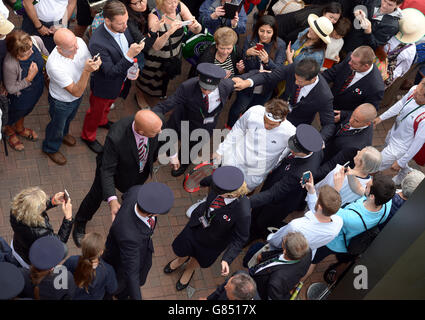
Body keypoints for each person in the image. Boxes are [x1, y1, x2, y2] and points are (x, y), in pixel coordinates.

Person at [72, 110, 163, 247]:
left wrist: (172, 153)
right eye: (156, 132)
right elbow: (107, 170)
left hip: (138, 171)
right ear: (142, 132)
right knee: (95, 196)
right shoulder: (116, 137)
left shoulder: (155, 122)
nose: (160, 132)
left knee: (131, 194)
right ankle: (80, 222)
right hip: (112, 170)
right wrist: (112, 200)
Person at [164, 166, 251, 291]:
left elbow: (241, 237)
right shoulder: (220, 181)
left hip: (213, 241)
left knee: (198, 257)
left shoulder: (243, 211)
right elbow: (204, 181)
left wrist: (227, 259)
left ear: (232, 194)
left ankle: (189, 270)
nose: (214, 190)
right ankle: (180, 260)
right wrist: (199, 180)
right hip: (197, 224)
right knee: (184, 247)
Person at [80, 0, 145, 154]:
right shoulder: (98, 42)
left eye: (126, 21)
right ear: (107, 21)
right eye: (121, 24)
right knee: (94, 112)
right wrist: (130, 56)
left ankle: (103, 121)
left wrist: (133, 66)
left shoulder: (123, 26)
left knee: (108, 105)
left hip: (119, 81)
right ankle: (88, 136)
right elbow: (109, 72)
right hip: (104, 85)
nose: (126, 26)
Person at [152, 62, 235, 177]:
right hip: (184, 120)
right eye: (203, 88)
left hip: (205, 127)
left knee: (191, 148)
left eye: (210, 89)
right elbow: (167, 104)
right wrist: (149, 115)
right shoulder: (188, 87)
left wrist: (261, 72)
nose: (206, 91)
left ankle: (182, 164)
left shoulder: (226, 86)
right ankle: (161, 154)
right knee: (167, 139)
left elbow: (244, 79)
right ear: (199, 78)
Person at [248, 124, 325, 242]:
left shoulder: (299, 172)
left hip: (280, 202)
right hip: (277, 183)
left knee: (261, 221)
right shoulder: (315, 148)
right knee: (257, 213)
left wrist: (246, 202)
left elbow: (273, 194)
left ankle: (249, 236)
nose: (291, 149)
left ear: (305, 151)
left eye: (294, 150)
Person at [233, 58, 335, 143]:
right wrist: (247, 82)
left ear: (312, 79)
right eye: (295, 78)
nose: (295, 82)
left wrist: (318, 141)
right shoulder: (295, 67)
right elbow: (270, 76)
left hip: (294, 126)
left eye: (300, 81)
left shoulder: (324, 96)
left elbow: (329, 124)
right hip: (276, 111)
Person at [103, 182, 174, 300]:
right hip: (121, 261)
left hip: (134, 247)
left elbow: (125, 196)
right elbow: (132, 274)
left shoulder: (136, 191)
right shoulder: (130, 237)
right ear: (151, 213)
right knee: (119, 285)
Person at [42, 28, 101, 165]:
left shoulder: (79, 42)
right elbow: (76, 91)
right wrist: (87, 71)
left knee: (68, 119)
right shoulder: (54, 65)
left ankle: (63, 134)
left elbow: (88, 59)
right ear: (60, 48)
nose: (77, 47)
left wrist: (95, 63)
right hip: (61, 101)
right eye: (71, 47)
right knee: (57, 125)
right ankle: (50, 148)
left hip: (75, 99)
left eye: (75, 42)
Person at [311, 172, 395, 266]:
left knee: (312, 261)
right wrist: (350, 174)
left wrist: (336, 188)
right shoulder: (387, 202)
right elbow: (359, 188)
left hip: (333, 242)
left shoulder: (352, 218)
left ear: (372, 196)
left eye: (367, 186)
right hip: (348, 239)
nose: (366, 184)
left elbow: (326, 207)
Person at [214, 99, 296, 191]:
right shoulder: (254, 111)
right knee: (219, 184)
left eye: (272, 124)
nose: (266, 126)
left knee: (239, 194)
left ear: (283, 120)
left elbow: (286, 155)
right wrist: (220, 150)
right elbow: (238, 129)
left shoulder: (291, 133)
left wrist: (271, 168)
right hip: (235, 159)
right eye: (265, 120)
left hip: (255, 173)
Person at [226, 15, 286, 128]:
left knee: (254, 110)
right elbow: (245, 63)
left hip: (266, 87)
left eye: (269, 32)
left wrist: (268, 61)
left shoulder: (280, 45)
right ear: (257, 29)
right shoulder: (250, 39)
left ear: (274, 32)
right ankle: (229, 126)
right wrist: (247, 55)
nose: (264, 35)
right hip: (248, 83)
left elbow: (278, 71)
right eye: (261, 30)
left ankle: (244, 126)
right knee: (238, 107)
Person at [136, 0, 202, 99]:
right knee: (149, 80)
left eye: (175, 1)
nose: (174, 5)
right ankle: (140, 97)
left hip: (174, 55)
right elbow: (156, 46)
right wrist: (169, 32)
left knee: (165, 78)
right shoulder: (154, 16)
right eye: (170, 3)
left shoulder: (179, 7)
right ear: (161, 2)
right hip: (156, 58)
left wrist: (196, 26)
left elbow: (196, 30)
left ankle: (161, 93)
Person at [267, 184, 343, 260]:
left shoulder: (296, 226)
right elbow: (318, 211)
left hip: (281, 253)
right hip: (305, 256)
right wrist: (311, 191)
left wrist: (270, 237)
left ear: (319, 206)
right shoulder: (338, 223)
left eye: (318, 197)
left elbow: (275, 242)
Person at [373, 77, 425, 185]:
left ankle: (369, 184)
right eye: (416, 89)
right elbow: (401, 104)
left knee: (374, 165)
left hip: (400, 147)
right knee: (383, 156)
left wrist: (401, 162)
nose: (414, 93)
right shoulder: (415, 89)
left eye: (418, 95)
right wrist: (381, 118)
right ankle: (406, 171)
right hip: (393, 133)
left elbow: (417, 143)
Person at [2, 30, 48, 152]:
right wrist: (28, 78)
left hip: (36, 88)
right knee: (14, 113)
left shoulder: (36, 40)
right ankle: (9, 130)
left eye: (31, 48)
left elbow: (45, 54)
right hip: (20, 96)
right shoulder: (10, 64)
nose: (32, 52)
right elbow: (11, 88)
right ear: (16, 55)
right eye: (27, 54)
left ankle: (19, 128)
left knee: (26, 110)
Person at [9, 187, 73, 269]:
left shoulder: (16, 210)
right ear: (35, 213)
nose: (45, 204)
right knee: (64, 249)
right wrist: (68, 218)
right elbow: (58, 243)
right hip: (31, 260)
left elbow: (31, 209)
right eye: (43, 203)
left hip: (17, 247)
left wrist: (52, 202)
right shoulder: (40, 232)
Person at [322, 45, 385, 121]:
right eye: (351, 59)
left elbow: (369, 112)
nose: (349, 63)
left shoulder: (376, 87)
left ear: (366, 66)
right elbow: (332, 73)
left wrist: (344, 115)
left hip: (342, 117)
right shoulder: (351, 59)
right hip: (329, 102)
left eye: (354, 63)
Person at [249, 232, 312, 300]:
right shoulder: (307, 251)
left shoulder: (275, 282)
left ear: (285, 251)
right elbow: (279, 253)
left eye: (283, 242)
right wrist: (264, 256)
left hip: (260, 286)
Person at [315, 146, 382, 206]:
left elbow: (320, 188)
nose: (358, 152)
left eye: (360, 153)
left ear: (360, 162)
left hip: (317, 202)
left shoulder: (339, 172)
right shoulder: (368, 187)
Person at [63, 232, 118, 300]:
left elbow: (62, 275)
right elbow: (112, 289)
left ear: (82, 248)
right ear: (101, 252)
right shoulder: (108, 270)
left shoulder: (72, 260)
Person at [381, 8, 423, 88]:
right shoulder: (411, 49)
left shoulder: (389, 31)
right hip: (384, 77)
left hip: (370, 62)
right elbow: (404, 69)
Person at [275, 2, 342, 45]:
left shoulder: (318, 9)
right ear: (324, 12)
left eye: (335, 19)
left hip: (278, 22)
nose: (332, 21)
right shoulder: (313, 21)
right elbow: (291, 37)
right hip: (278, 30)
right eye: (331, 17)